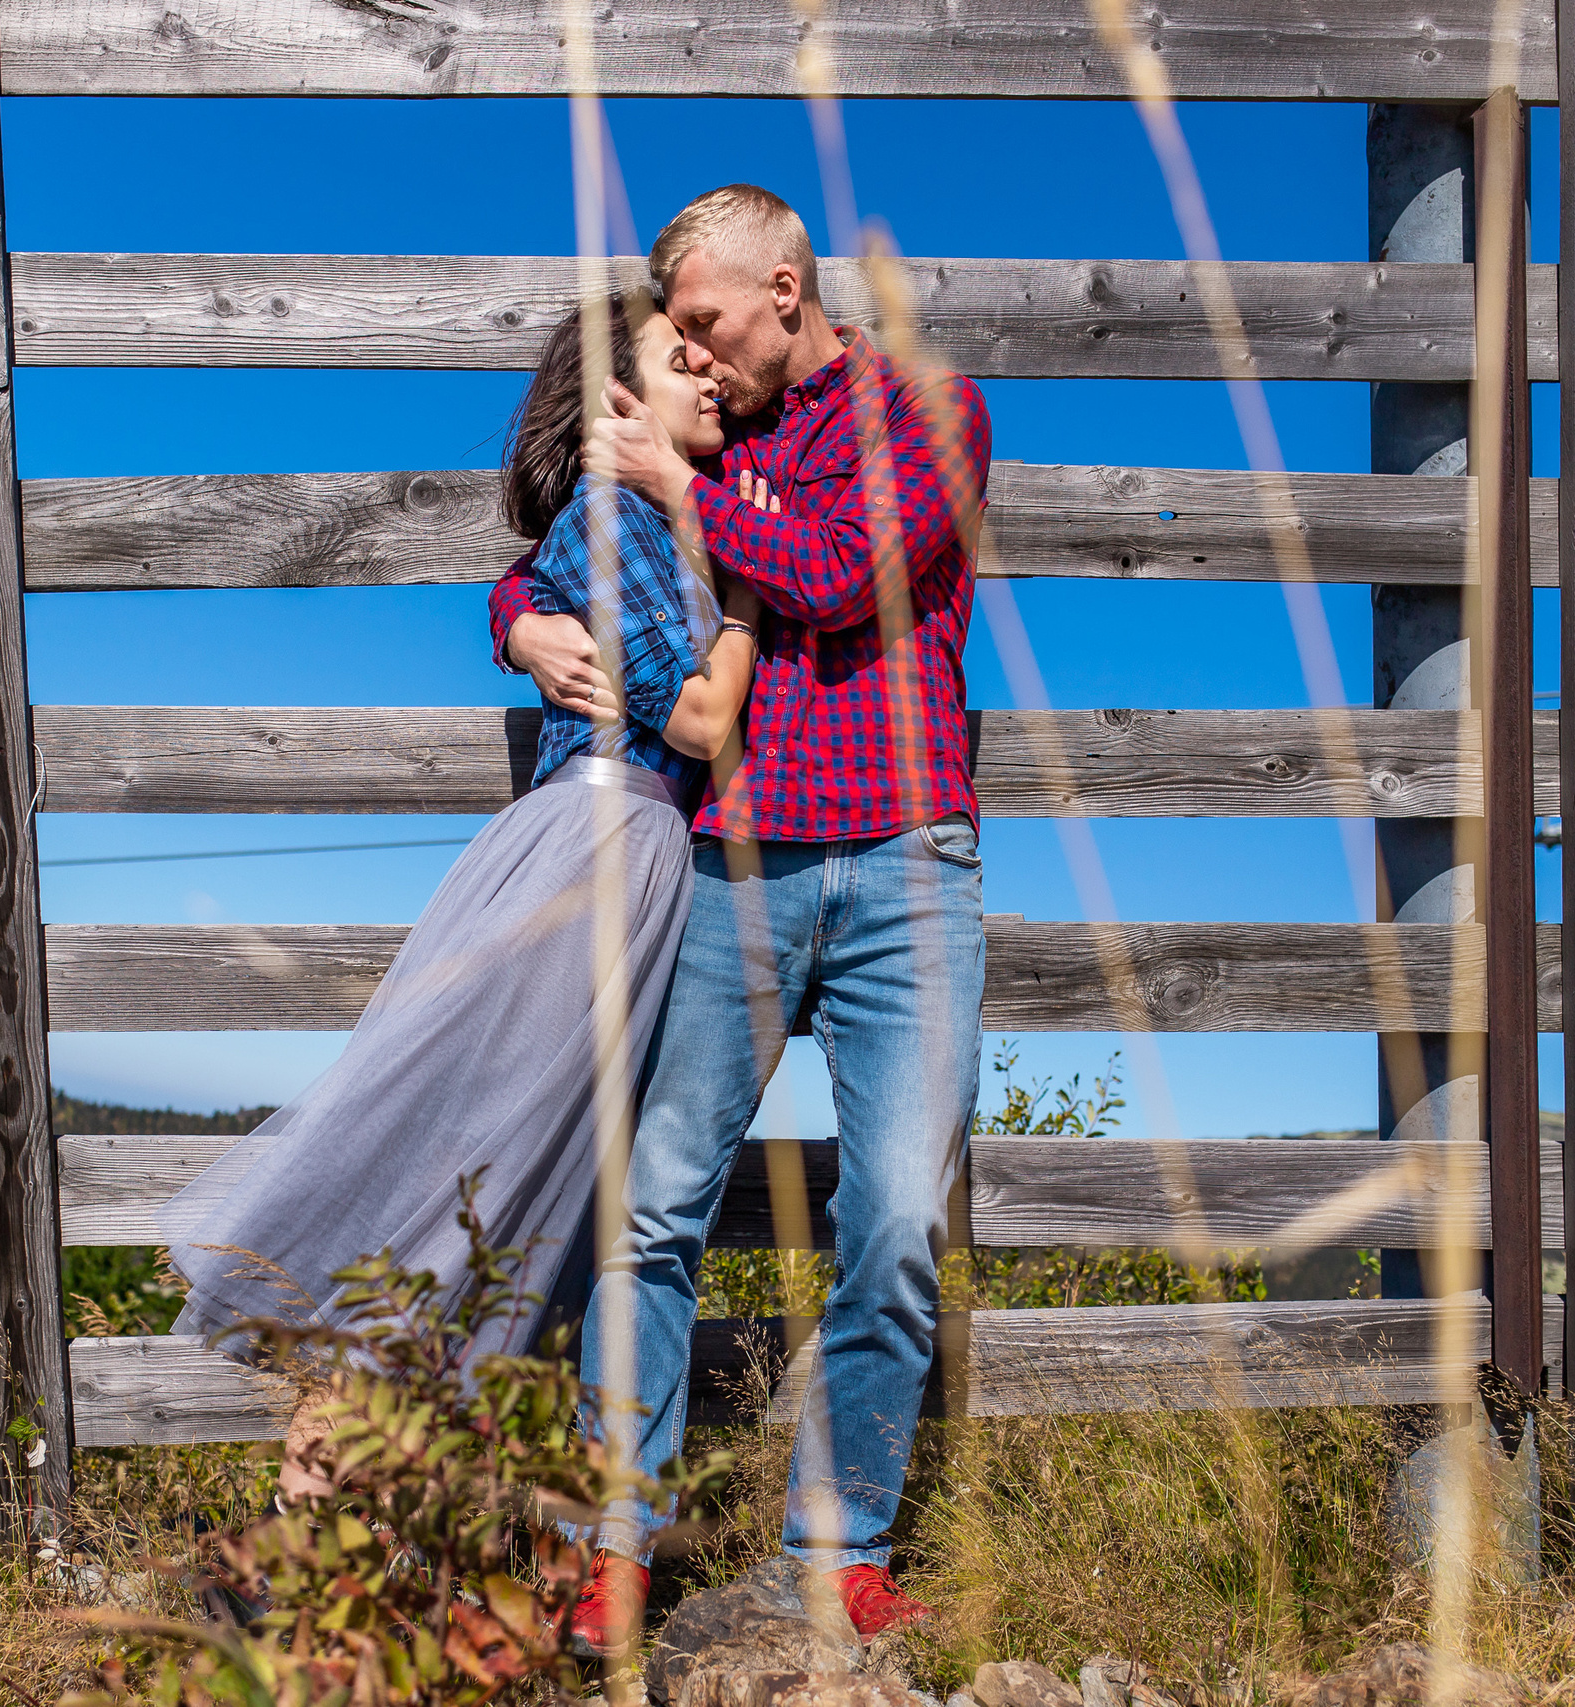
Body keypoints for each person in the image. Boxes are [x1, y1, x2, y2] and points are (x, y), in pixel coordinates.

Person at [490, 185, 993, 1645]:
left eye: (705, 321)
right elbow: (567, 539)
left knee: (897, 1220)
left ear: (785, 288)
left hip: (908, 862)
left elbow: (842, 573)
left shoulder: (931, 410)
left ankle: (835, 1554)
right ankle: (609, 1551)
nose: (695, 354)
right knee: (653, 1205)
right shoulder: (707, 435)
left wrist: (675, 482)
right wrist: (518, 617)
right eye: (679, 337)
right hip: (731, 862)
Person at [162, 295, 763, 1369]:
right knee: (480, 1135)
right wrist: (749, 601)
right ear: (618, 401)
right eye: (682, 362)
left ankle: (427, 1422)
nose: (711, 375)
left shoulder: (678, 521)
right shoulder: (617, 519)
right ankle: (336, 1386)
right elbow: (701, 720)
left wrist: (525, 616)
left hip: (639, 857)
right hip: (600, 844)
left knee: (542, 1161)